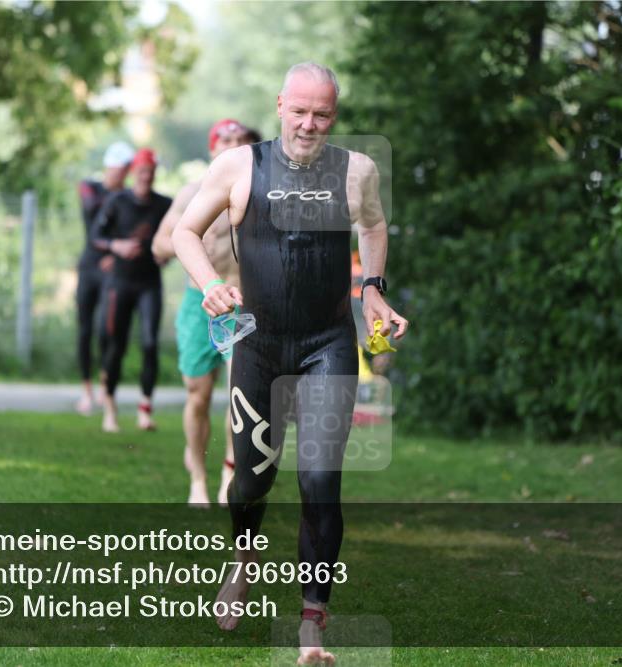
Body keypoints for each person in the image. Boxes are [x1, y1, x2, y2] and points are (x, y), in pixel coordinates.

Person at [172, 62, 408, 665]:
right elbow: (184, 234)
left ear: (334, 116)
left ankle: (311, 623)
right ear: (280, 105)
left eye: (321, 114)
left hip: (328, 345)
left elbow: (373, 226)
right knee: (251, 482)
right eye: (299, 111)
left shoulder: (356, 171)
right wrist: (209, 285)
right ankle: (244, 557)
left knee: (320, 482)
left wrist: (373, 289)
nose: (308, 124)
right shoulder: (239, 166)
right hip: (258, 347)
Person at [153, 120, 257, 508]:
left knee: (239, 393)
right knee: (198, 395)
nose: (233, 146)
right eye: (226, 140)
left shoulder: (259, 192)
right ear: (212, 148)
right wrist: (193, 240)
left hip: (242, 304)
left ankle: (229, 470)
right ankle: (197, 478)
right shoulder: (192, 193)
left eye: (241, 141)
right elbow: (161, 243)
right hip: (199, 304)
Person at [91, 148, 172, 433]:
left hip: (149, 283)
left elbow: (178, 235)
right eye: (142, 171)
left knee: (150, 344)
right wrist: (117, 246)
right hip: (120, 283)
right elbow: (96, 236)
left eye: (151, 172)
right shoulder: (117, 201)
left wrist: (167, 253)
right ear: (133, 172)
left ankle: (145, 409)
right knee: (116, 345)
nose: (146, 177)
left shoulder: (164, 204)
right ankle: (110, 410)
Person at [75, 141, 134, 416]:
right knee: (85, 329)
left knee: (106, 330)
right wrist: (119, 197)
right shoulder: (90, 187)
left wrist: (117, 255)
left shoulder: (127, 197)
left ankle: (104, 384)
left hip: (112, 270)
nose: (118, 173)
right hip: (88, 266)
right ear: (108, 166)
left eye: (123, 169)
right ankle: (86, 390)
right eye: (115, 167)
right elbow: (92, 209)